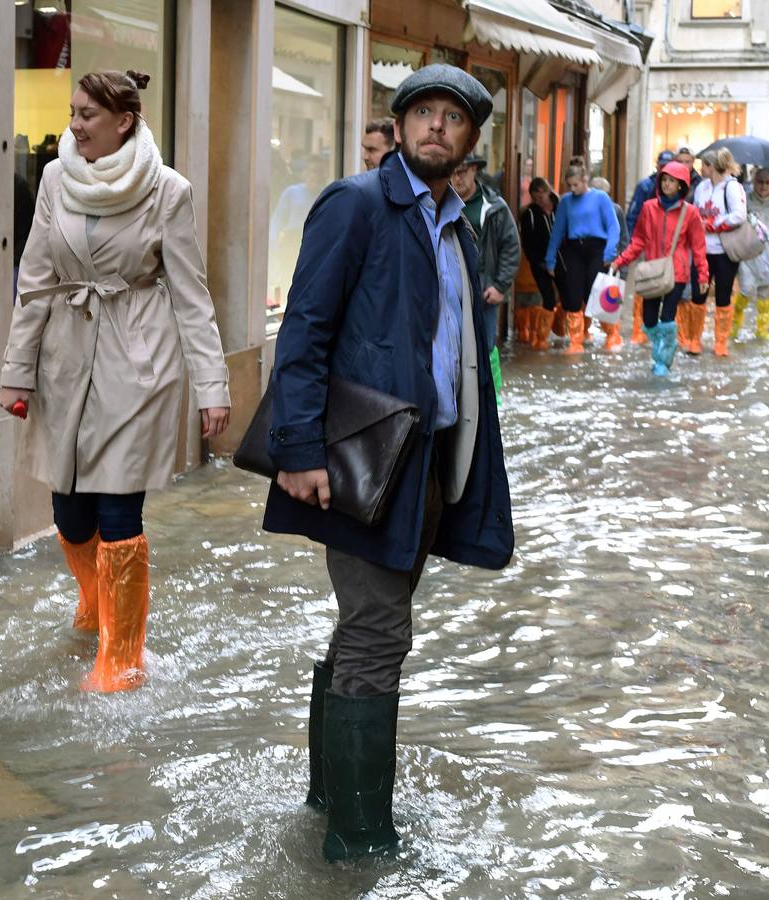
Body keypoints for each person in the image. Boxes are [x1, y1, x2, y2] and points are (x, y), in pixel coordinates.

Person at [262, 64, 513, 861]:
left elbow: (463, 354)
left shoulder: (462, 227)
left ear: (472, 140)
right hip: (360, 458)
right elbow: (303, 331)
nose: (437, 126)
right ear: (400, 127)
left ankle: (327, 795)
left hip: (430, 462)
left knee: (363, 630)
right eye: (423, 113)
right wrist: (299, 452)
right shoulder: (358, 204)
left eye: (454, 117)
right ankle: (360, 842)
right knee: (379, 632)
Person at [0, 69, 231, 693]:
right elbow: (36, 280)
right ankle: (98, 602)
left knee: (119, 506)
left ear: (124, 120)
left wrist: (213, 386)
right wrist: (16, 373)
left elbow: (191, 296)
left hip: (139, 362)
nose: (73, 125)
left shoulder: (167, 191)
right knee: (69, 511)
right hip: (65, 359)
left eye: (86, 115)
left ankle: (121, 657)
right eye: (73, 112)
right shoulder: (54, 177)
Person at [610, 161, 707, 377]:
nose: (666, 184)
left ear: (681, 185)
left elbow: (698, 247)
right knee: (649, 319)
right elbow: (638, 241)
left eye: (671, 181)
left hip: (677, 273)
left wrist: (702, 274)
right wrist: (620, 261)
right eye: (664, 179)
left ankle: (663, 360)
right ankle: (662, 349)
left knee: (668, 318)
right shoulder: (648, 208)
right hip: (652, 273)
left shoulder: (690, 213)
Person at [451, 155, 518, 397]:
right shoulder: (440, 202)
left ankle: (492, 397)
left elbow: (511, 248)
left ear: (474, 171)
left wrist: (500, 285)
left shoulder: (495, 207)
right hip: (451, 289)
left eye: (463, 171)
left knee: (486, 344)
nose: (457, 177)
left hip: (484, 290)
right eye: (453, 172)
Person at [544, 157, 622, 352]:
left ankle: (613, 334)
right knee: (572, 295)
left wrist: (610, 252)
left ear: (585, 179)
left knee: (598, 292)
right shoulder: (565, 202)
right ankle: (576, 340)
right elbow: (558, 231)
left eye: (576, 185)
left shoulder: (600, 198)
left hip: (597, 248)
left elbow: (613, 226)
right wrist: (550, 258)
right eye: (570, 185)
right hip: (573, 249)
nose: (573, 189)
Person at [691, 147, 747, 357]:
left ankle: (720, 342)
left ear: (711, 166)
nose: (700, 169)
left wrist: (714, 224)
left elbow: (739, 215)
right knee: (698, 294)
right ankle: (694, 339)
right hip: (701, 250)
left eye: (703, 165)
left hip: (725, 250)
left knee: (723, 295)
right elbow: (695, 211)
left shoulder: (732, 187)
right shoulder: (701, 187)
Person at [733, 165, 769, 343]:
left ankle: (761, 330)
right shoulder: (745, 201)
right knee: (745, 290)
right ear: (754, 182)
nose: (764, 186)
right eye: (760, 182)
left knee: (766, 293)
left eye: (768, 183)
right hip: (748, 256)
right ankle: (734, 326)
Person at [625, 151, 677, 345]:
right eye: (662, 165)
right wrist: (631, 244)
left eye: (668, 165)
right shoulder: (645, 186)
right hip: (646, 245)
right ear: (657, 166)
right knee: (644, 284)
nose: (664, 169)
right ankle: (640, 328)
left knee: (667, 285)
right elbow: (633, 214)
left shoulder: (678, 191)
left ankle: (665, 331)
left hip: (668, 248)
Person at [270, 157, 329, 304]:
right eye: (311, 171)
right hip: (292, 241)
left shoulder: (324, 195)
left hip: (315, 243)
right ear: (305, 173)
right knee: (287, 279)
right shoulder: (292, 192)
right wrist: (274, 244)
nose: (314, 176)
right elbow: (277, 219)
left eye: (318, 172)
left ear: (324, 174)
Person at [519, 177, 563, 350]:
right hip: (539, 263)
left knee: (566, 297)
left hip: (562, 261)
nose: (538, 202)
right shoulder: (529, 214)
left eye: (541, 197)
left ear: (548, 192)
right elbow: (527, 242)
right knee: (548, 298)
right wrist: (538, 262)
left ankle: (561, 331)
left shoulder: (560, 207)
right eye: (534, 198)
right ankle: (542, 338)